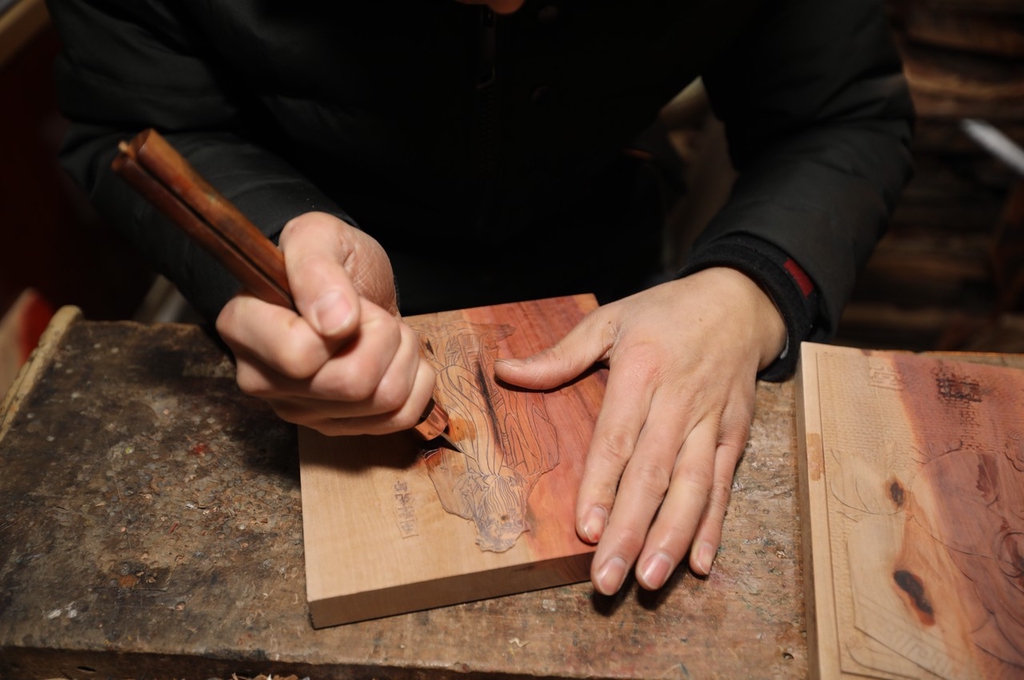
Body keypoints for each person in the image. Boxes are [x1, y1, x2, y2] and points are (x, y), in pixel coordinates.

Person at [46, 0, 914, 596]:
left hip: (610, 260)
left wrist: (746, 287)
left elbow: (841, 113)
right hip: (323, 245)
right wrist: (277, 239)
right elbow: (135, 122)